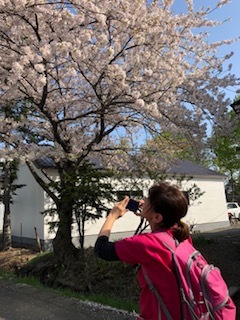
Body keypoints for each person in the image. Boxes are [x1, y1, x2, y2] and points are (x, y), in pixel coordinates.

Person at [94, 181, 191, 320]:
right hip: (184, 312)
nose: (143, 200)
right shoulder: (182, 235)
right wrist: (147, 212)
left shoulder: (146, 244)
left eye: (147, 201)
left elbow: (101, 250)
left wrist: (112, 216)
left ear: (157, 217)